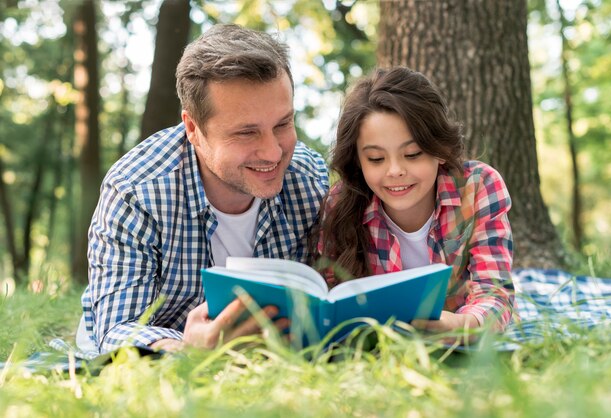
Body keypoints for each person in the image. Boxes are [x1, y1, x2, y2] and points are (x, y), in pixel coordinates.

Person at [78, 24, 329, 354]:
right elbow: (114, 331)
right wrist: (186, 350)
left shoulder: (309, 180)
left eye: (282, 124)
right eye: (246, 133)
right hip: (171, 345)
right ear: (193, 129)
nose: (273, 152)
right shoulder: (135, 191)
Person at [311, 67, 515, 336]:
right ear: (358, 162)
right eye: (376, 159)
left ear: (440, 150)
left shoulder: (478, 187)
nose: (395, 170)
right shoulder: (341, 204)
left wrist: (457, 326)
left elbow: (494, 294)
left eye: (413, 154)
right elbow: (331, 299)